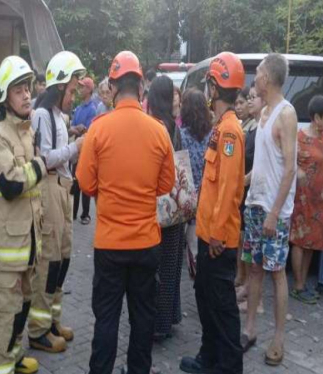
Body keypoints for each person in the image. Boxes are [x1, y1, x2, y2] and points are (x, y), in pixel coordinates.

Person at [77, 51, 175, 374]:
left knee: (106, 319)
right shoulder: (159, 131)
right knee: (142, 320)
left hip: (109, 245)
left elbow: (85, 183)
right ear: (141, 86)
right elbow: (166, 185)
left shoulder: (98, 128)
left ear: (114, 85)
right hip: (146, 245)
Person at [179, 51, 246, 374]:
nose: (207, 92)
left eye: (208, 85)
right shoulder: (221, 127)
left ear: (216, 89)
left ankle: (229, 366)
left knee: (222, 307)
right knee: (206, 301)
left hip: (218, 239)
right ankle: (209, 358)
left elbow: (230, 188)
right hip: (207, 235)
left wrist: (218, 234)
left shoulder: (230, 132)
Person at [0, 55, 47, 374]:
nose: (26, 94)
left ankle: (14, 353)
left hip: (28, 241)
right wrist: (39, 165)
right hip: (9, 248)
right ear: (4, 96)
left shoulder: (26, 130)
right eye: (18, 89)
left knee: (23, 305)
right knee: (5, 312)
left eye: (28, 88)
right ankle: (1, 367)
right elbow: (10, 184)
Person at [241, 53, 298, 366]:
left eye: (259, 73)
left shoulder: (285, 114)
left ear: (271, 78)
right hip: (254, 204)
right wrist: (243, 182)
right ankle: (249, 329)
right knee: (253, 268)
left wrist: (275, 213)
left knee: (276, 273)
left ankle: (278, 338)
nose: (255, 79)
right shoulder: (262, 112)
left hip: (275, 211)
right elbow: (263, 165)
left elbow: (289, 170)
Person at [28, 51, 86, 353]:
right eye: (72, 89)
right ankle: (38, 331)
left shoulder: (59, 117)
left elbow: (57, 149)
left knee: (62, 258)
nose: (74, 95)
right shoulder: (40, 114)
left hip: (64, 189)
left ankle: (52, 321)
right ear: (60, 85)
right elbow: (46, 158)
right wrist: (76, 147)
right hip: (50, 187)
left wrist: (72, 136)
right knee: (49, 260)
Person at [147, 75, 185, 340]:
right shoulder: (174, 127)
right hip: (175, 207)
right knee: (171, 265)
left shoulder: (152, 126)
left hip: (155, 207)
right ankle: (168, 318)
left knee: (154, 267)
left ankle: (156, 324)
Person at [289, 95, 323, 304]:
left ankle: (303, 283)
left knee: (312, 242)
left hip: (321, 200)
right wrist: (298, 171)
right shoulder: (299, 138)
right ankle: (298, 286)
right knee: (300, 240)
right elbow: (289, 163)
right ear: (316, 117)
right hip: (305, 199)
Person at [237, 85, 266, 316]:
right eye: (248, 98)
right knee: (247, 245)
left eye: (253, 98)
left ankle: (257, 301)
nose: (249, 102)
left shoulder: (262, 128)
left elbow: (259, 167)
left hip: (257, 196)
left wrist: (241, 182)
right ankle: (247, 287)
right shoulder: (252, 129)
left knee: (256, 251)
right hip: (248, 196)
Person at [179, 89, 212, 265]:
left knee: (190, 245)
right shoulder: (213, 134)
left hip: (187, 196)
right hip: (207, 195)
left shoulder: (181, 135)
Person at [71, 76, 98, 225]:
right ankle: (74, 213)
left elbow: (87, 131)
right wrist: (77, 129)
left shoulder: (92, 109)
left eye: (82, 87)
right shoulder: (79, 108)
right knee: (76, 182)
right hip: (76, 149)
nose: (80, 89)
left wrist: (78, 129)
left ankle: (85, 215)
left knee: (85, 182)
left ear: (89, 90)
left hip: (86, 150)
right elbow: (75, 127)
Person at [234, 86, 253, 287]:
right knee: (240, 237)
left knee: (246, 239)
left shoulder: (256, 128)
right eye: (237, 103)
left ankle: (246, 280)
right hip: (241, 189)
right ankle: (240, 276)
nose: (239, 107)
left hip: (248, 189)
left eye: (242, 102)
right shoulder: (242, 126)